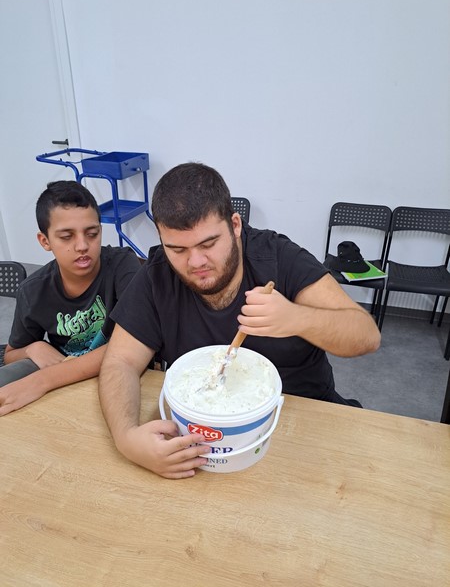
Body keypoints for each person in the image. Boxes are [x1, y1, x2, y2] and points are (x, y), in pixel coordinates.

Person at [99, 163, 381, 479]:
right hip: (207, 440)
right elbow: (120, 361)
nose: (195, 262)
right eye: (177, 249)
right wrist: (126, 438)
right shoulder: (157, 276)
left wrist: (296, 318)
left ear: (235, 225)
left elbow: (366, 335)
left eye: (208, 244)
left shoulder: (278, 258)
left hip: (305, 425)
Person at [0, 181, 141, 416]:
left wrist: (44, 380)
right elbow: (10, 355)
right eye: (67, 237)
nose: (82, 246)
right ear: (45, 241)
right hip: (66, 391)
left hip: (118, 379)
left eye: (92, 234)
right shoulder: (33, 291)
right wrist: (34, 348)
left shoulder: (122, 265)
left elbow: (132, 345)